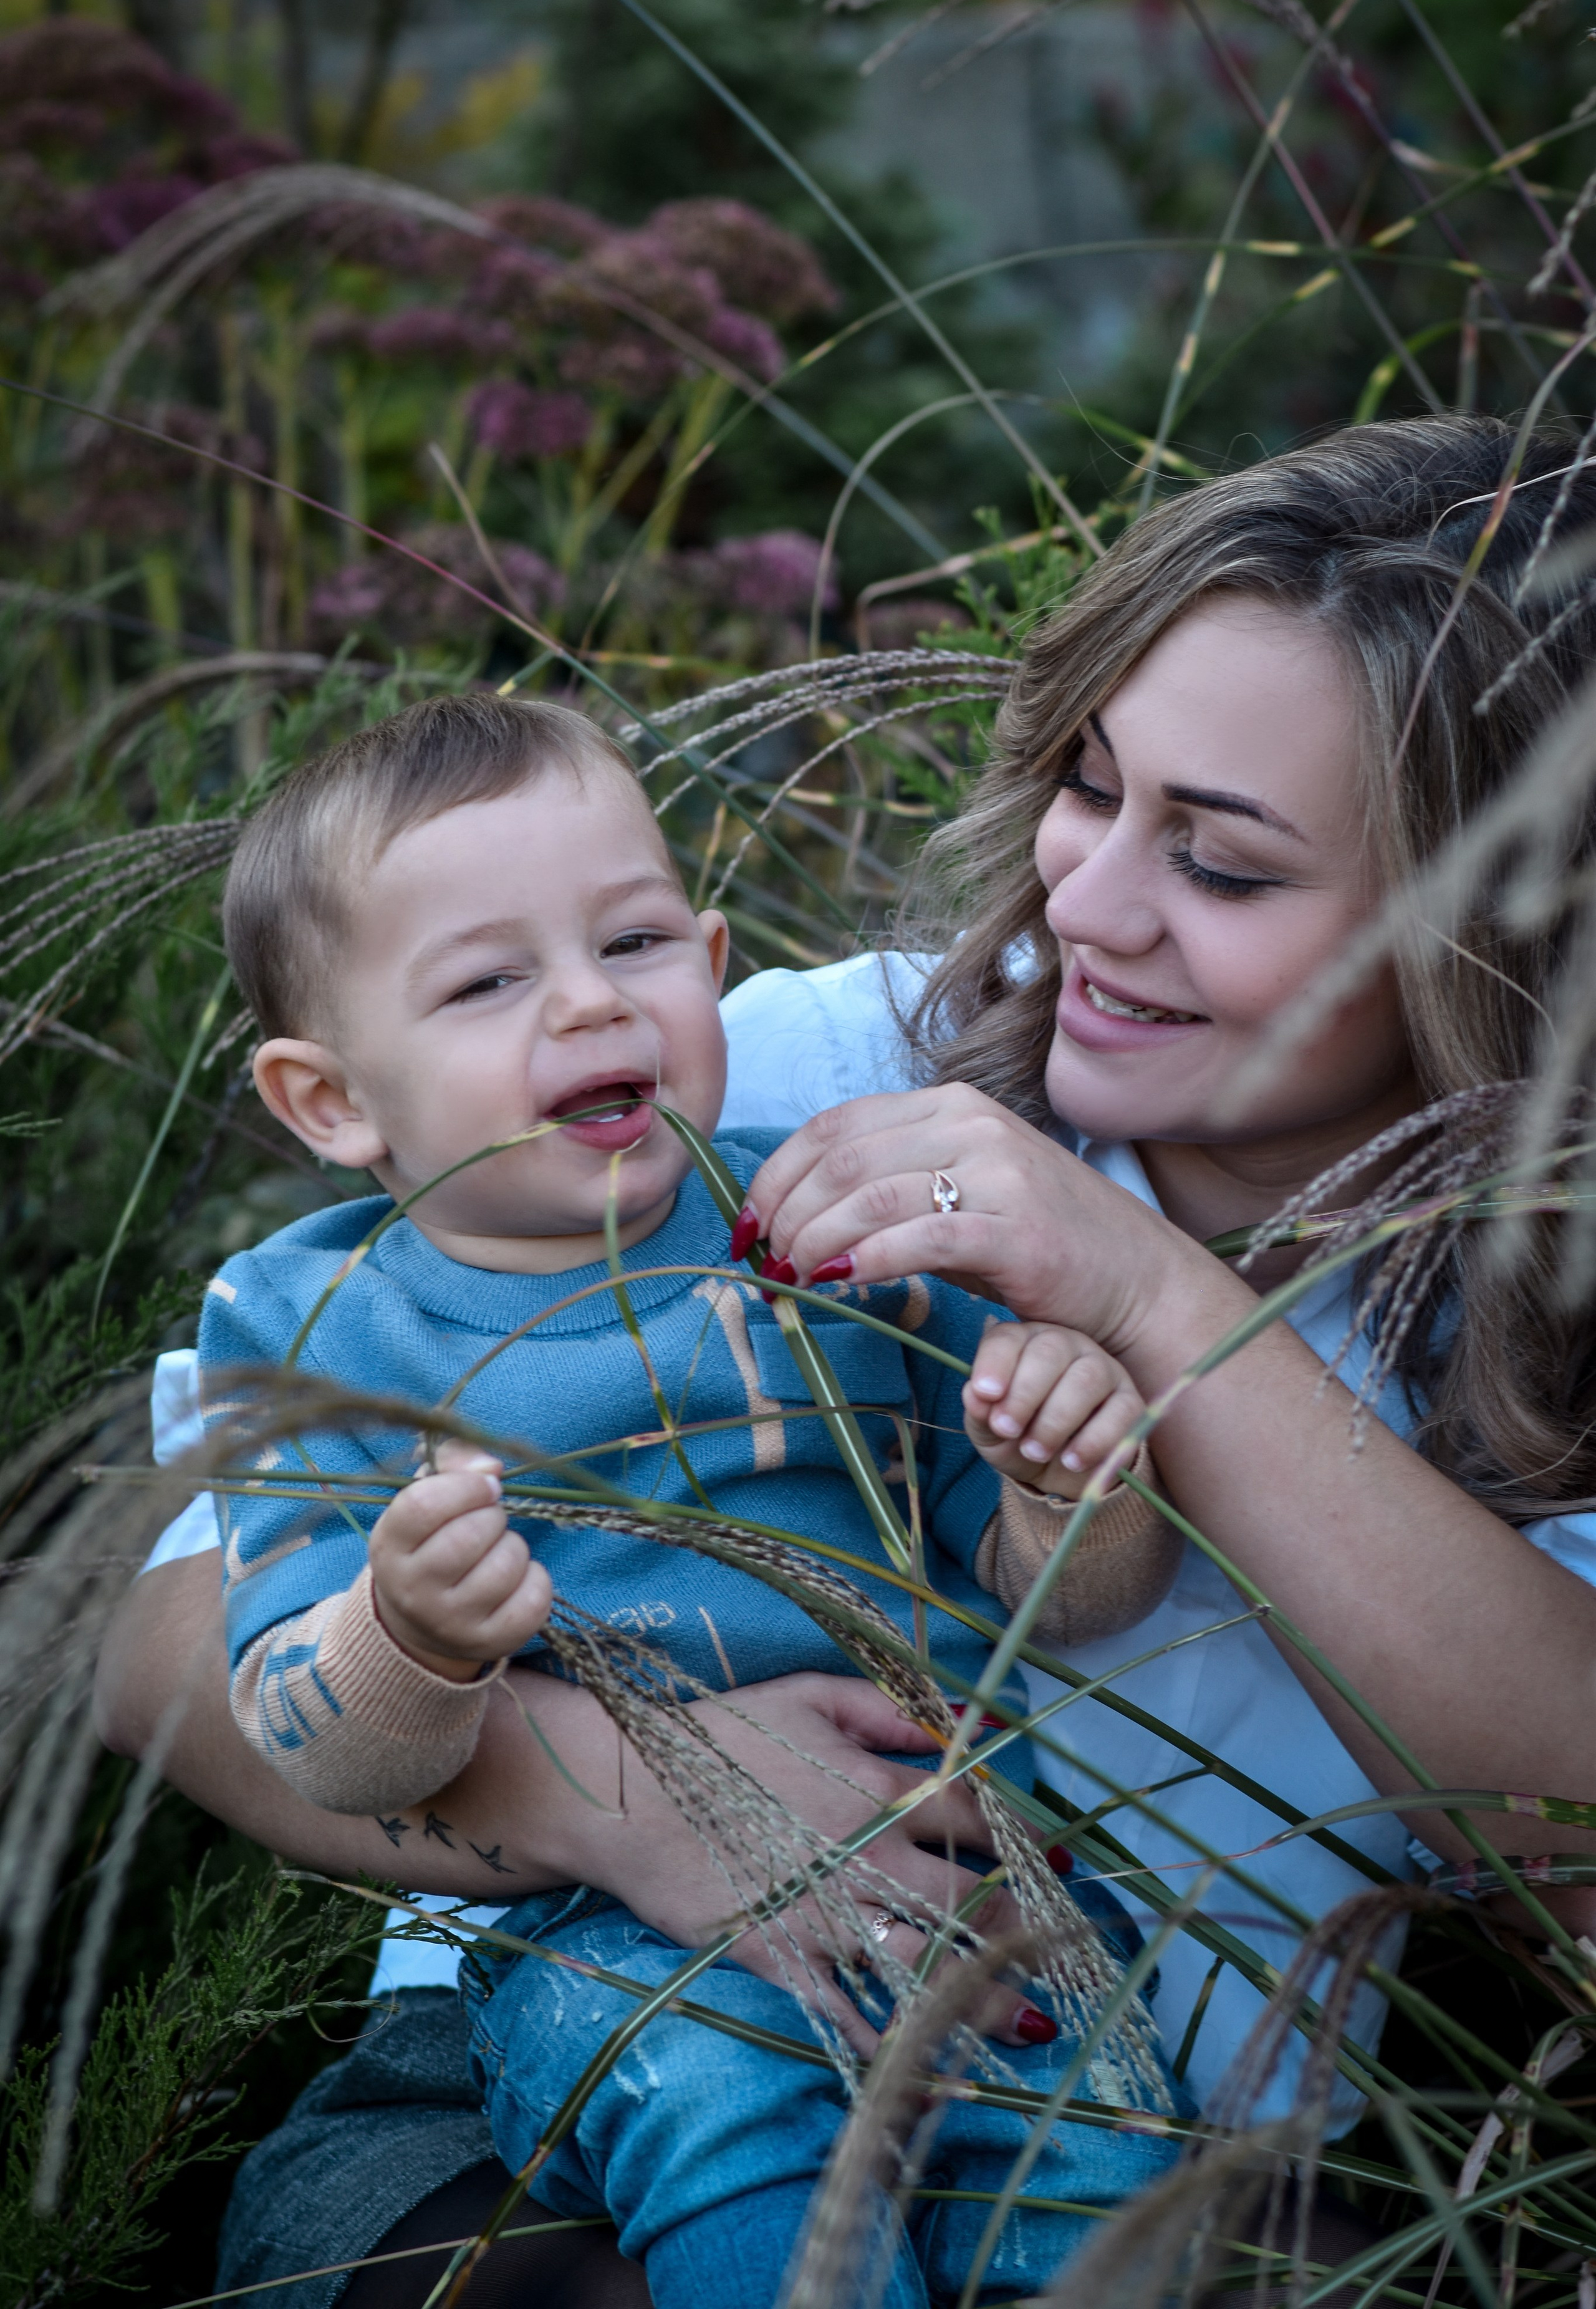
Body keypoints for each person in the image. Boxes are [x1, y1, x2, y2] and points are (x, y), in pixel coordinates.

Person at [95, 415, 1596, 2308]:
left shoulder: (1526, 1316)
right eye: (1089, 786)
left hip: (1111, 2134)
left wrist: (1151, 1301)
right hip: (543, 2097)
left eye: (1219, 866)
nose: (1088, 902)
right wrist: (619, 1795)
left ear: (1485, 931)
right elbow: (155, 1628)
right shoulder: (788, 1078)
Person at [193, 688, 1188, 2309]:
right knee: (735, 2131)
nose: (591, 1006)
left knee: (1103, 2170)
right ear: (332, 1102)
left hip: (957, 1867)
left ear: (713, 963)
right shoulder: (317, 1334)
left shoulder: (827, 1217)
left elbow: (1053, 1602)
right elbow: (315, 1740)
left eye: (636, 943)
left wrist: (1072, 1479)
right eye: (490, 979)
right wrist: (406, 1634)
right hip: (588, 1936)